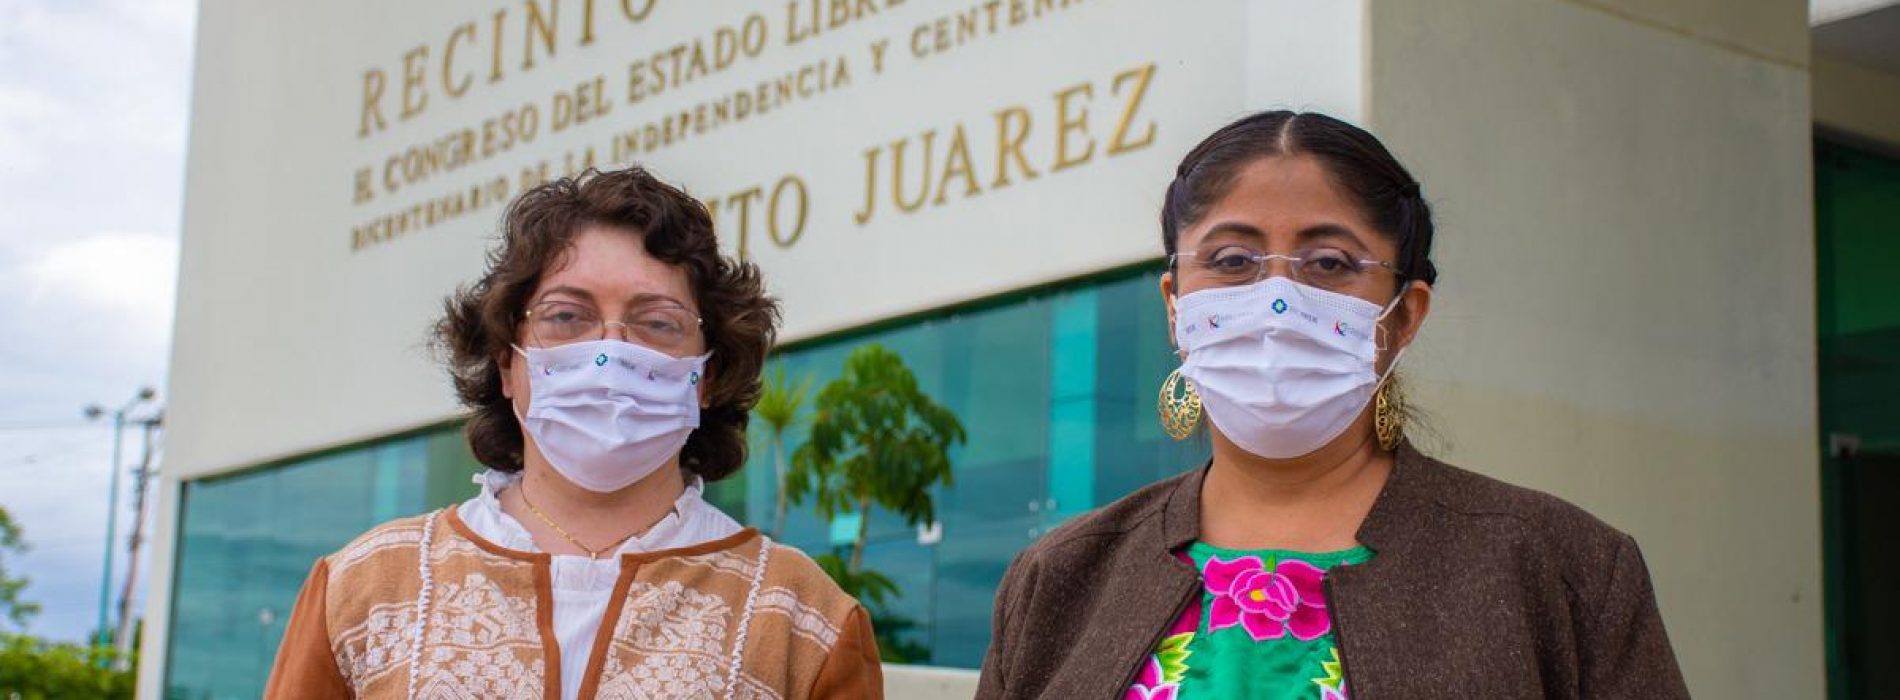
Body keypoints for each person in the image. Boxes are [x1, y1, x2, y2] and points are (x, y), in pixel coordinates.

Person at [974, 112, 1689, 699]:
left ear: (1403, 317)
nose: (1277, 302)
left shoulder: (1564, 569)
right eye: (1231, 261)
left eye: (1329, 264)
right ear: (1174, 306)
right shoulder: (1059, 579)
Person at [265, 167, 882, 699]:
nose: (609, 351)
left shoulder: (806, 619)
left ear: (706, 375)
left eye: (658, 323)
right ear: (508, 363)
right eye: (567, 316)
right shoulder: (362, 588)